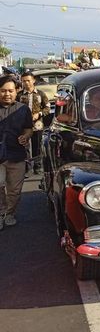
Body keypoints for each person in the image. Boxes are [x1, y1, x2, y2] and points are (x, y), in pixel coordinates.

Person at [0, 75, 32, 230]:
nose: (7, 94)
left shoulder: (23, 109)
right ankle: (0, 214)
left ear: (16, 91)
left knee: (14, 191)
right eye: (3, 91)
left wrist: (26, 136)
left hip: (16, 155)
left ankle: (9, 213)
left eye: (10, 91)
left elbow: (28, 128)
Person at [19, 71, 49, 174]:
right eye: (24, 81)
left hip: (37, 125)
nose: (26, 83)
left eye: (28, 80)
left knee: (37, 146)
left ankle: (38, 166)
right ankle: (27, 168)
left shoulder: (40, 94)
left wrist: (39, 114)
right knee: (25, 146)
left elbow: (47, 108)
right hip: (23, 126)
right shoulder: (19, 95)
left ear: (33, 81)